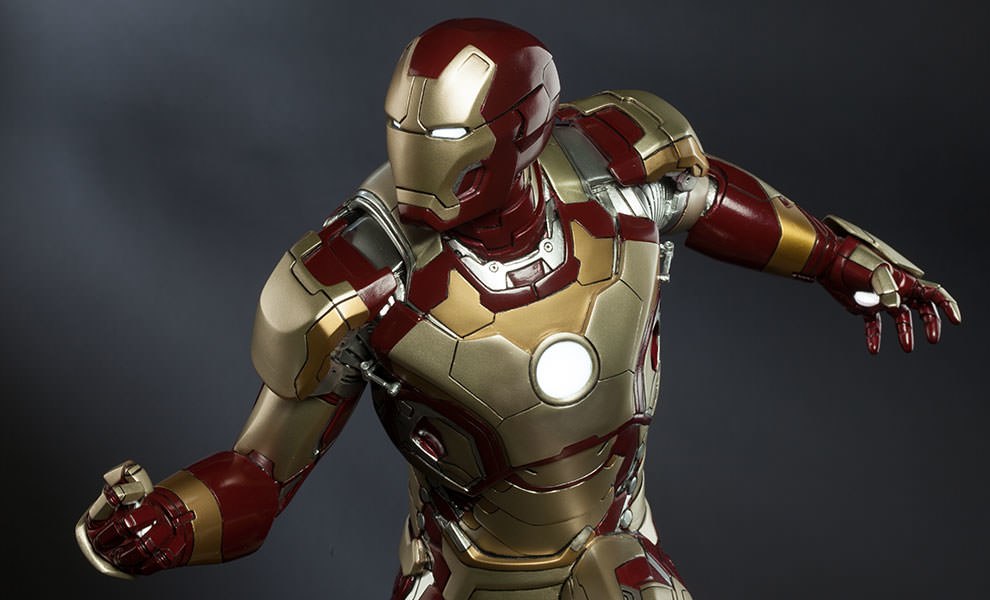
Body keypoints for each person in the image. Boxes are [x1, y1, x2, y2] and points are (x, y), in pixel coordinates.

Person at [76, 18, 960, 600]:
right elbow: (263, 473)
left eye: (450, 146)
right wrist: (169, 522)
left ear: (523, 133)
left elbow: (706, 194)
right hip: (468, 569)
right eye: (408, 138)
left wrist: (834, 255)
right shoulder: (357, 284)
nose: (420, 173)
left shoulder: (619, 168)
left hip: (615, 540)